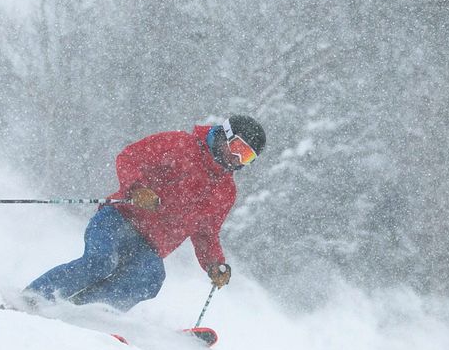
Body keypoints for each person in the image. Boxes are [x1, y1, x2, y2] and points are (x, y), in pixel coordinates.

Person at [18, 115, 266, 311]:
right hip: (119, 218)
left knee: (148, 280)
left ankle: (81, 312)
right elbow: (130, 158)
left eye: (246, 157)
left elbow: (206, 233)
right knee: (100, 262)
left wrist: (215, 265)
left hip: (150, 245)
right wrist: (137, 188)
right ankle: (32, 298)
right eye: (238, 148)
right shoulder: (180, 145)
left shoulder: (225, 191)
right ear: (225, 134)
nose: (236, 159)